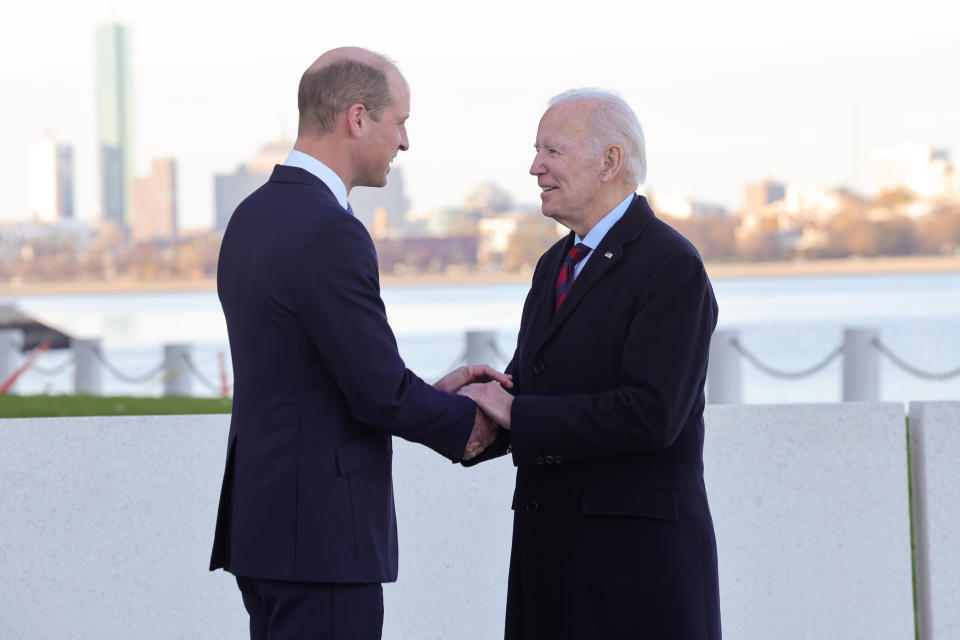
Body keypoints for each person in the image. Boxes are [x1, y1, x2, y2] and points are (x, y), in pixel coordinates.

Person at [209, 47, 508, 640]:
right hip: (320, 536)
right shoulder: (330, 230)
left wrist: (424, 391)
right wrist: (473, 426)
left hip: (263, 527)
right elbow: (375, 392)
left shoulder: (251, 217)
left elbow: (312, 375)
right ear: (356, 118)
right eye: (400, 121)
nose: (405, 142)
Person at [460, 89, 721, 639]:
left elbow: (651, 415)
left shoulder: (671, 266)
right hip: (551, 570)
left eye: (551, 150)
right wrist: (461, 411)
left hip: (633, 579)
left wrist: (514, 414)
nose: (535, 168)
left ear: (610, 161)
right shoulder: (554, 263)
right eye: (536, 151)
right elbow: (525, 393)